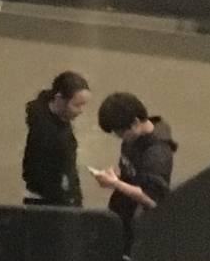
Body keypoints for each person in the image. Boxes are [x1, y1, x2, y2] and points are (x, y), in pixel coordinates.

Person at [93, 92, 175, 243]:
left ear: (135, 122)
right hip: (121, 212)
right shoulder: (133, 137)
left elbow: (152, 200)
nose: (119, 137)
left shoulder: (157, 155)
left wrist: (115, 183)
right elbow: (131, 176)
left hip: (138, 227)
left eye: (120, 132)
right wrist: (115, 179)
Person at [22, 71, 90, 207]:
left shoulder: (60, 120)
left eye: (83, 105)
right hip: (48, 202)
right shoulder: (45, 131)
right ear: (59, 98)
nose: (81, 110)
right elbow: (39, 173)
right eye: (77, 105)